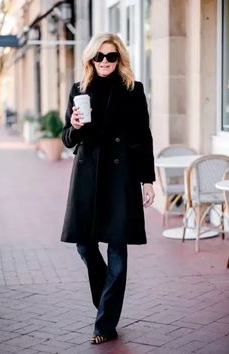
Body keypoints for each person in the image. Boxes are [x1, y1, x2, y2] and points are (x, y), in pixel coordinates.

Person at [61, 32, 155, 345]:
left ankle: (105, 324)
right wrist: (74, 127)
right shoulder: (79, 90)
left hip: (121, 178)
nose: (104, 62)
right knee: (85, 246)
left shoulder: (133, 90)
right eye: (99, 56)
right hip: (88, 178)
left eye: (111, 56)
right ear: (90, 59)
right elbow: (67, 140)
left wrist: (148, 181)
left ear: (119, 59)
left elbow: (143, 137)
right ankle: (107, 299)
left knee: (117, 248)